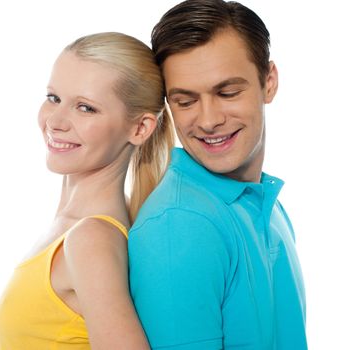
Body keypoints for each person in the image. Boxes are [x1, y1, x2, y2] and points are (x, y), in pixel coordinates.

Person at [128, 0, 307, 349]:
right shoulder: (180, 224)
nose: (208, 120)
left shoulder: (265, 205)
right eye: (185, 101)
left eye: (227, 92)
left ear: (268, 82)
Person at [0, 32, 174, 349]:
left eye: (86, 108)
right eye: (53, 98)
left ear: (140, 128)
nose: (56, 120)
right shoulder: (75, 229)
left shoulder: (91, 239)